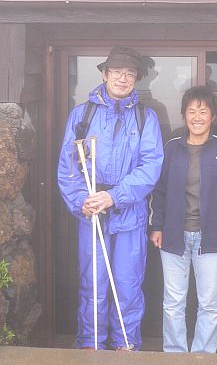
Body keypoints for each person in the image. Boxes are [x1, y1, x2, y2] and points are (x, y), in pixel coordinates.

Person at [58, 46, 164, 350]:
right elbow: (68, 165)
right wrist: (83, 201)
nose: (123, 78)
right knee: (93, 285)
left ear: (137, 80)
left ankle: (125, 348)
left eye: (130, 73)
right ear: (105, 74)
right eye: (117, 72)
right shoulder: (82, 114)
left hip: (129, 215)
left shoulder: (147, 117)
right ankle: (90, 346)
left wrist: (113, 197)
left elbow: (150, 166)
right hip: (91, 213)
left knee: (128, 287)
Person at [150, 85, 217, 353]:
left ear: (213, 116)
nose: (197, 116)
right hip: (174, 236)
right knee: (173, 302)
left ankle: (203, 356)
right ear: (184, 115)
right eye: (192, 111)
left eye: (203, 111)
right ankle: (175, 354)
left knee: (209, 303)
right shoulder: (171, 149)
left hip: (212, 237)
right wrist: (156, 226)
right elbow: (159, 190)